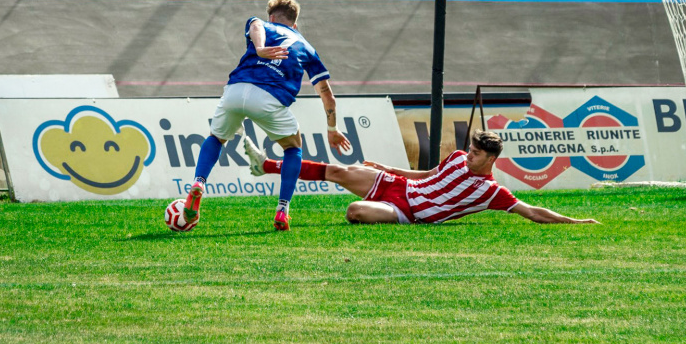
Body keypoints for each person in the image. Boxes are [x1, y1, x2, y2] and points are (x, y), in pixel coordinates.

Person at [180, 0, 351, 231]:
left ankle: (198, 183)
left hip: (235, 90)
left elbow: (255, 24)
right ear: (295, 23)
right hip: (269, 99)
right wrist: (332, 129)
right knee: (293, 148)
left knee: (216, 138)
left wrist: (259, 48)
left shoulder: (263, 24)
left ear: (272, 16)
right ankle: (282, 210)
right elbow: (327, 95)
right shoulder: (308, 49)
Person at [240, 129, 599, 226]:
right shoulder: (459, 157)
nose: (468, 154)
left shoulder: (491, 193)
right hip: (401, 186)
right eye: (469, 149)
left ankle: (375, 207)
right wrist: (388, 169)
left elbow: (533, 211)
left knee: (353, 211)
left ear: (490, 159)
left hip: (407, 213)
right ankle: (265, 165)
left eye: (476, 153)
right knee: (339, 171)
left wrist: (575, 220)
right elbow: (428, 173)